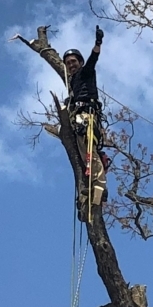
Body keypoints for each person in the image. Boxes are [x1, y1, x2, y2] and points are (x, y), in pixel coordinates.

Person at [63, 25, 108, 212]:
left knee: (88, 148)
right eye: (68, 63)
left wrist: (97, 43)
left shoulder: (86, 72)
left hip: (86, 116)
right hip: (79, 116)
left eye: (74, 61)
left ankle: (99, 184)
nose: (71, 65)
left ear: (79, 62)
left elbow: (93, 60)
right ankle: (88, 188)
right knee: (83, 150)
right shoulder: (72, 81)